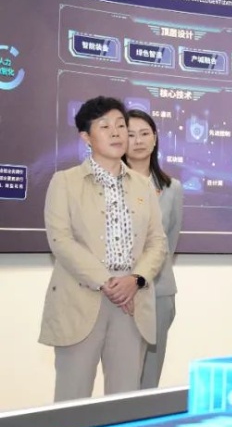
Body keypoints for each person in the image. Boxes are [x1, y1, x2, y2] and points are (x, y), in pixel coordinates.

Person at [41, 96, 166, 401]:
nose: (116, 133)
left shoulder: (143, 185)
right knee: (72, 399)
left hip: (131, 301)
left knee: (124, 400)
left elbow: (157, 242)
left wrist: (135, 280)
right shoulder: (65, 182)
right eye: (105, 126)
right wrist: (108, 282)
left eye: (121, 125)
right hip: (81, 299)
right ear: (86, 136)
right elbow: (61, 240)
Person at [124, 110, 184, 389]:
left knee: (150, 375)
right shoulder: (111, 185)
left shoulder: (173, 188)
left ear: (155, 138)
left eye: (144, 133)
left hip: (159, 291)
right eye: (130, 134)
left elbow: (169, 242)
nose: (138, 141)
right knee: (122, 375)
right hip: (121, 293)